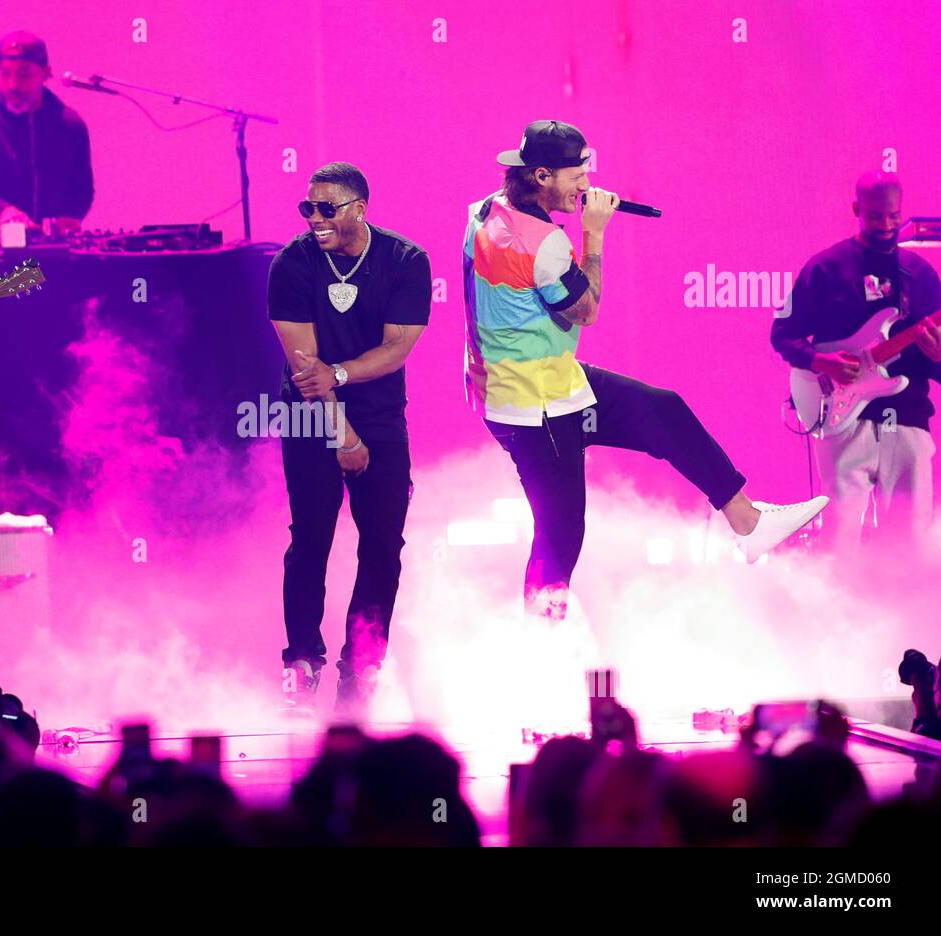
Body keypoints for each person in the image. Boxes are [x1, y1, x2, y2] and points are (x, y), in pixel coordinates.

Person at [465, 120, 827, 619]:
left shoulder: (487, 208)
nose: (587, 187)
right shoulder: (542, 242)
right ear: (542, 175)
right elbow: (586, 309)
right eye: (577, 176)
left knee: (662, 410)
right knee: (561, 529)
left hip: (540, 382)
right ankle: (539, 644)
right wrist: (593, 234)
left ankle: (747, 522)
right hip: (533, 403)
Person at [268, 161, 431, 717]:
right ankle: (301, 663)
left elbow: (397, 348)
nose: (314, 218)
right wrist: (342, 435)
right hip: (313, 416)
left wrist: (343, 377)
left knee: (383, 547)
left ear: (359, 209)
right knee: (310, 540)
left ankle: (361, 669)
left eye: (326, 208)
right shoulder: (292, 263)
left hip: (382, 415)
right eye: (307, 208)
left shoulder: (404, 261)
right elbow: (306, 368)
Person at [772, 172, 941, 553]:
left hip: (909, 420)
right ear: (856, 211)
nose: (886, 225)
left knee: (910, 546)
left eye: (893, 217)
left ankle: (904, 613)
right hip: (844, 423)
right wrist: (821, 362)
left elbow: (937, 368)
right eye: (876, 216)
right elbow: (782, 334)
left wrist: (938, 357)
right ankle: (839, 613)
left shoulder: (920, 275)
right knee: (840, 543)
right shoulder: (826, 268)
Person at [0, 30, 94, 231]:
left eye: (23, 74)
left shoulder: (69, 124)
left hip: (51, 248)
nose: (13, 85)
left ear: (45, 73)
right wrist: (0, 209)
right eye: (5, 74)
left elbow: (82, 189)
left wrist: (68, 218)